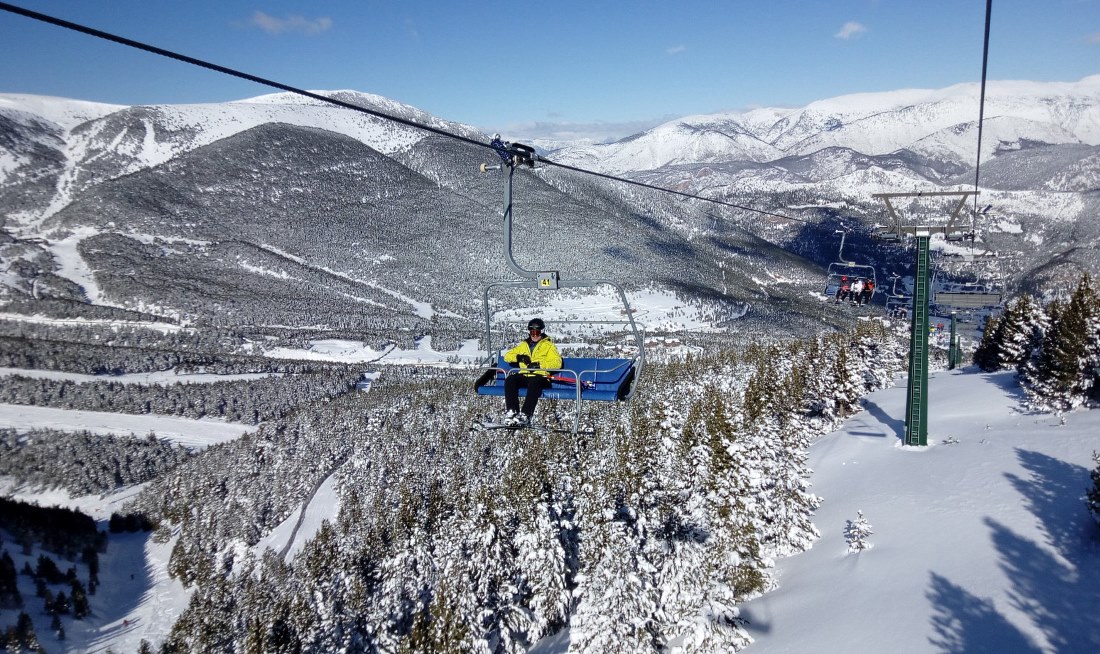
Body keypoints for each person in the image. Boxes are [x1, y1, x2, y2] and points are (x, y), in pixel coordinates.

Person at [502, 318, 563, 427]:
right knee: (511, 379)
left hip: (541, 377)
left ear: (542, 332)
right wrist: (519, 357)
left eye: (537, 332)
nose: (534, 335)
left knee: (534, 381)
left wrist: (539, 365)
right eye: (532, 332)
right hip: (525, 375)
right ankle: (512, 412)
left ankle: (526, 414)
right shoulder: (523, 346)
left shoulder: (548, 346)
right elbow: (507, 356)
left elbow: (557, 362)